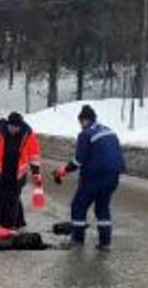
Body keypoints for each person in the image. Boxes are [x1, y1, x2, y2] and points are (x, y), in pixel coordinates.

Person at [53, 105, 125, 250]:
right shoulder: (109, 131)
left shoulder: (86, 134)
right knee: (102, 208)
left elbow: (79, 160)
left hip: (95, 176)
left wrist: (64, 169)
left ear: (84, 120)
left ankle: (77, 240)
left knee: (78, 206)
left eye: (80, 122)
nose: (80, 125)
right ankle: (105, 243)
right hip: (113, 176)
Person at [0, 112, 42, 229]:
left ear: (20, 126)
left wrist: (36, 172)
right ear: (7, 124)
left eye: (16, 127)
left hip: (17, 174)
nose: (13, 130)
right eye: (11, 127)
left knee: (13, 200)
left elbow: (34, 155)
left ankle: (10, 225)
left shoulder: (28, 135)